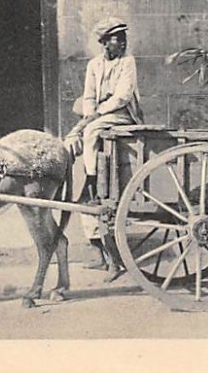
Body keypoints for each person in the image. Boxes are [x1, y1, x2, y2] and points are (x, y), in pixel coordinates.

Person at [65, 17, 143, 277]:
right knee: (75, 138)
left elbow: (123, 95)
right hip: (97, 115)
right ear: (104, 43)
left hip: (121, 115)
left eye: (123, 38)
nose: (121, 42)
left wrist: (96, 115)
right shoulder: (94, 66)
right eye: (116, 38)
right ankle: (100, 252)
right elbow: (88, 95)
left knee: (91, 132)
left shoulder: (127, 63)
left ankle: (91, 178)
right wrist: (89, 113)